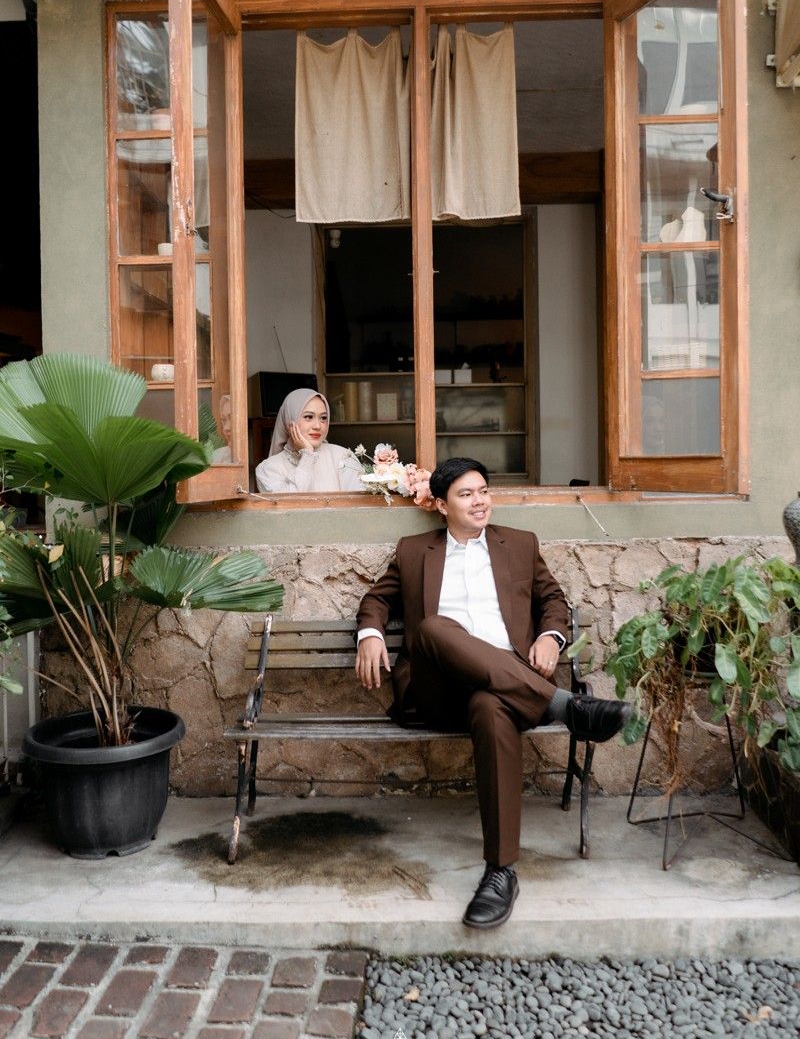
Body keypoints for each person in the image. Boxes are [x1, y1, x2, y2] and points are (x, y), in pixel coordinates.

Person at [355, 456, 630, 930]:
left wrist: (551, 638)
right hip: (437, 691)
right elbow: (377, 599)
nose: (480, 501)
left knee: (490, 705)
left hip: (505, 689)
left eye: (483, 491)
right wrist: (370, 634)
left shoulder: (519, 545)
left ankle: (500, 871)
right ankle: (566, 707)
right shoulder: (414, 551)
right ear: (442, 505)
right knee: (434, 628)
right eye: (466, 494)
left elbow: (553, 601)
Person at [254, 388, 364, 493]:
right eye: (308, 417)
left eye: (323, 418)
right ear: (289, 419)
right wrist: (307, 456)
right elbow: (291, 503)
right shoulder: (268, 469)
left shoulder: (343, 458)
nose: (317, 426)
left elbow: (358, 504)